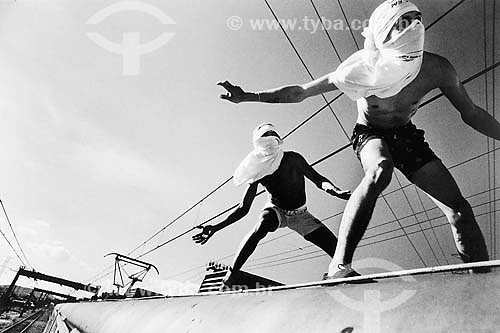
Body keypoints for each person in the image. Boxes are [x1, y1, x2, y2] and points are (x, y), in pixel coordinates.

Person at [216, 0, 500, 278]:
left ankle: (481, 278)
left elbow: (471, 113)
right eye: (403, 22)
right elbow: (300, 91)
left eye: (417, 19)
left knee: (460, 210)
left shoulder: (437, 68)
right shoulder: (358, 70)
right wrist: (249, 97)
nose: (413, 27)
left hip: (407, 136)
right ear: (383, 32)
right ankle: (340, 264)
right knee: (380, 170)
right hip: (369, 133)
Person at [192, 123, 351, 285]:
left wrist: (334, 191)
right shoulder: (258, 170)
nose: (271, 137)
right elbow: (243, 208)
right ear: (258, 142)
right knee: (264, 221)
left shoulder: (292, 158)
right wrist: (215, 227)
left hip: (301, 215)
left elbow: (318, 179)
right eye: (266, 134)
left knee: (337, 248)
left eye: (273, 133)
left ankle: (340, 272)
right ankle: (233, 273)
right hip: (276, 210)